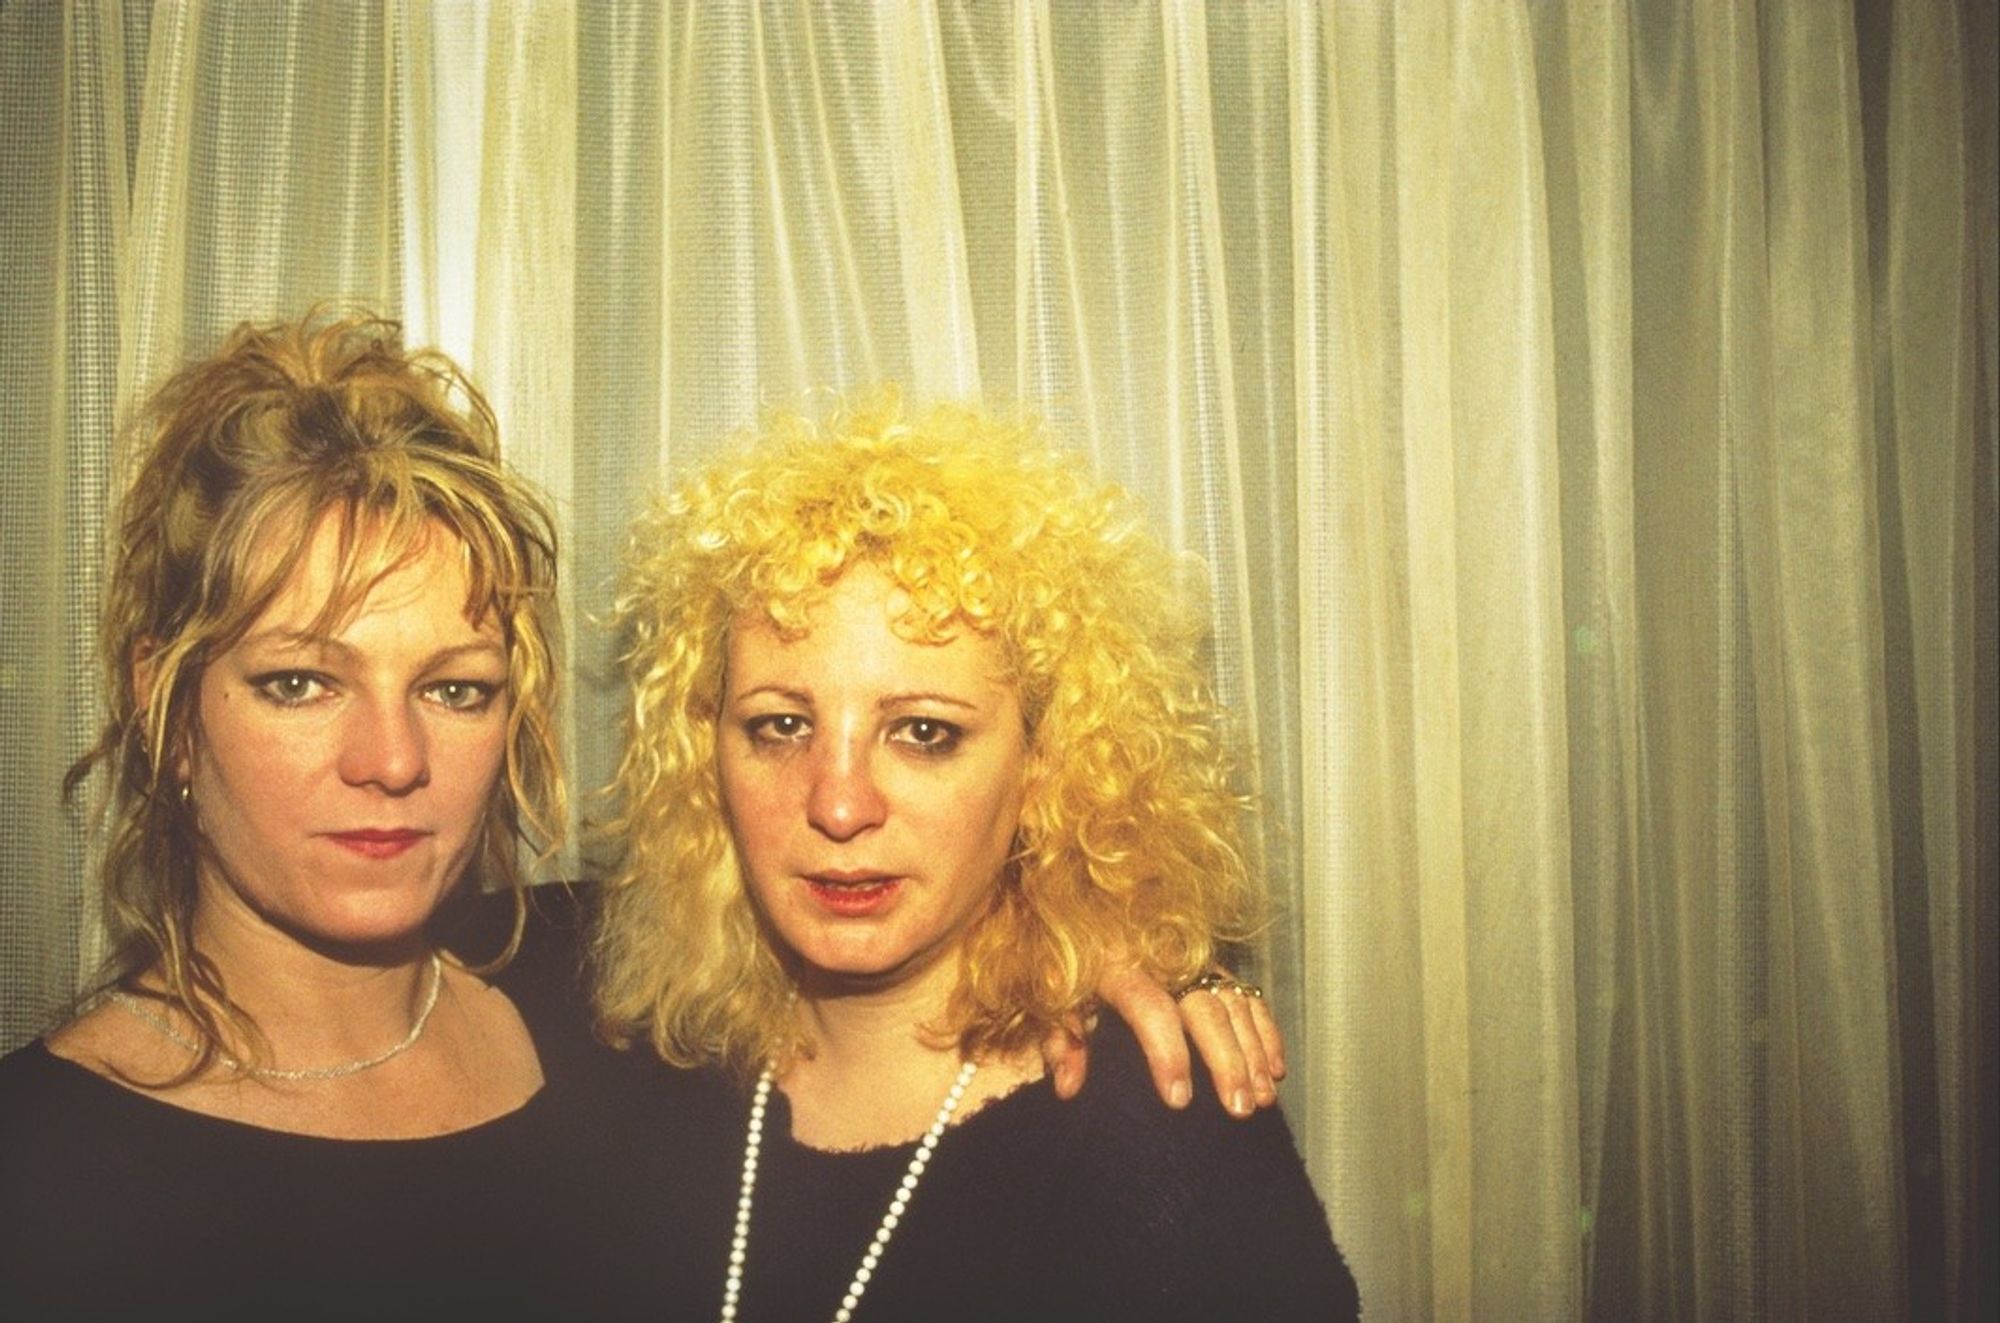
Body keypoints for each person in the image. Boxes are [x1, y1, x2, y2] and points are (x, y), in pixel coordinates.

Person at [0, 313, 1285, 1321]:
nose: (389, 761)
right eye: (298, 681)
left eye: (454, 689)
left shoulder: (587, 997)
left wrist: (1110, 938)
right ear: (162, 698)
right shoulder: (45, 1173)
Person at [593, 393, 1360, 1321]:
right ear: (705, 750)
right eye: (781, 724)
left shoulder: (1154, 1134)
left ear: (1044, 768)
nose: (838, 803)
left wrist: (1157, 946)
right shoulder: (630, 1055)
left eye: (922, 731)